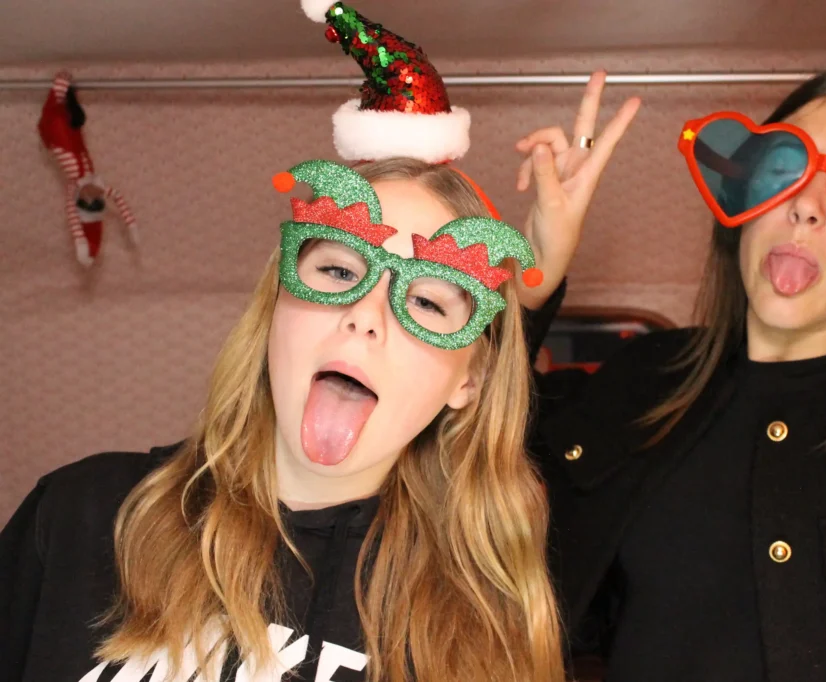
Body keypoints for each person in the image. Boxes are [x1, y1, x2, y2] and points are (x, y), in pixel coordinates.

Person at [1, 4, 572, 681]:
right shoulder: (82, 514)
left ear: (468, 382)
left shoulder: (487, 634)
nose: (366, 317)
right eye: (339, 272)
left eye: (426, 301)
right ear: (278, 306)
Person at [517, 58, 826, 681]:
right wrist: (529, 279)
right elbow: (464, 455)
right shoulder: (642, 380)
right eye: (783, 171)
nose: (805, 206)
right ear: (742, 201)